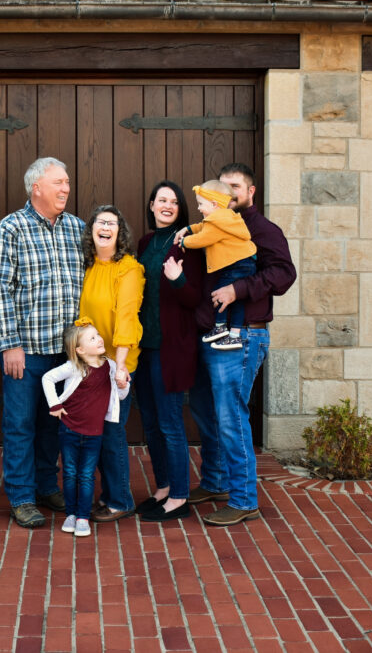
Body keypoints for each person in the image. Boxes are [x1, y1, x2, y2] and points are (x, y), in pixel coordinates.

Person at [192, 163, 296, 526]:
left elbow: (284, 274)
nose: (229, 192)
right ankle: (216, 482)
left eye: (235, 187)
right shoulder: (214, 224)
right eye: (223, 187)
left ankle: (243, 499)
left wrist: (239, 289)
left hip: (244, 335)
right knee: (208, 413)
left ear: (251, 192)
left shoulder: (263, 230)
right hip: (212, 336)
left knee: (230, 416)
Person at [0, 157, 85, 528]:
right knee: (20, 425)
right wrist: (9, 344)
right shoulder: (10, 229)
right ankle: (22, 497)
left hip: (66, 353)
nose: (66, 188)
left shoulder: (78, 229)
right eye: (58, 182)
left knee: (53, 425)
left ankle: (46, 486)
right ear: (36, 187)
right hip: (25, 351)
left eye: (68, 181)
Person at [134, 181, 203, 522]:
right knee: (149, 421)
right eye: (162, 200)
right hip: (143, 347)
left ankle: (179, 495)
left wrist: (177, 278)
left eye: (174, 202)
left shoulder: (187, 243)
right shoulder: (146, 242)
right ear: (151, 204)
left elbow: (195, 298)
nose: (168, 205)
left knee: (170, 422)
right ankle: (162, 487)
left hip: (170, 347)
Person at [78, 205, 144, 523]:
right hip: (90, 364)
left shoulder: (128, 269)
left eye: (112, 223)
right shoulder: (87, 267)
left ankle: (120, 500)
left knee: (112, 431)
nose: (105, 227)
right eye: (100, 222)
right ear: (92, 229)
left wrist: (119, 366)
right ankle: (108, 496)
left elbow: (127, 319)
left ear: (120, 232)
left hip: (118, 363)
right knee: (97, 430)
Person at [42, 320, 129, 538]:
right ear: (79, 350)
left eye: (98, 334)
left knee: (87, 475)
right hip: (69, 430)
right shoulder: (74, 367)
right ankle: (71, 514)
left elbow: (119, 397)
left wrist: (123, 384)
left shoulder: (110, 366)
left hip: (94, 433)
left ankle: (82, 517)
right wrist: (55, 405)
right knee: (70, 473)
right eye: (92, 338)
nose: (99, 339)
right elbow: (48, 378)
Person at [175, 180, 257, 351]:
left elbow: (202, 239)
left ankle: (220, 327)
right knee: (236, 301)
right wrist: (189, 228)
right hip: (246, 262)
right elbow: (202, 227)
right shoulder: (225, 218)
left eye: (200, 204)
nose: (198, 208)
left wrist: (184, 240)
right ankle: (234, 335)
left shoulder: (216, 222)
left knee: (219, 293)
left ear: (214, 204)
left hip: (238, 265)